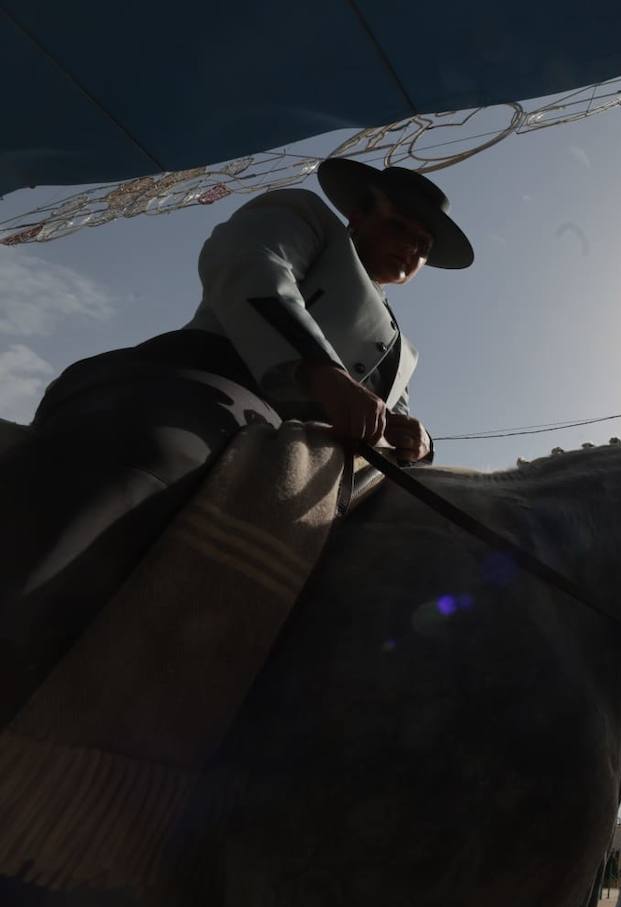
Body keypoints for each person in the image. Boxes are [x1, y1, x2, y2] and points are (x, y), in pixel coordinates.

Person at [0, 158, 472, 720]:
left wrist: (415, 440)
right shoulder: (305, 218)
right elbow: (249, 263)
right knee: (154, 463)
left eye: (423, 245)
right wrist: (322, 372)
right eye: (401, 228)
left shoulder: (405, 349)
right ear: (360, 212)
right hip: (206, 385)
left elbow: (391, 416)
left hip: (300, 459)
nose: (413, 251)